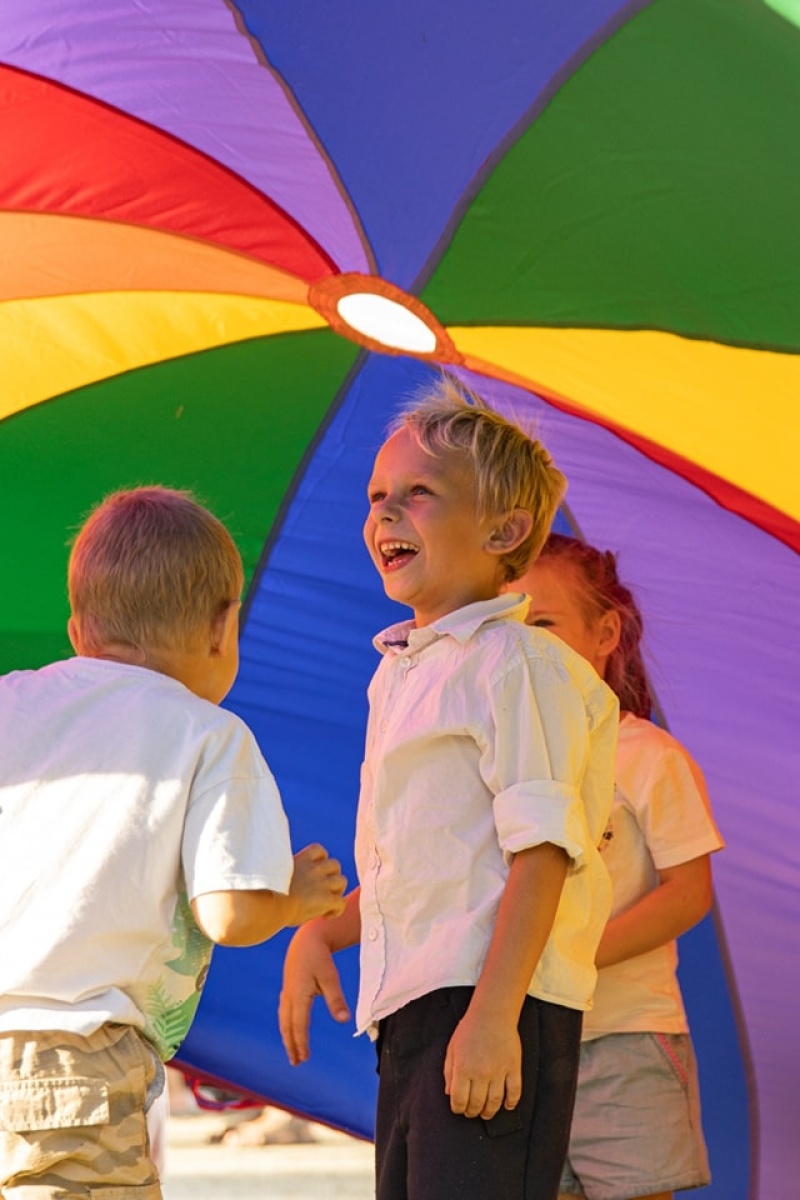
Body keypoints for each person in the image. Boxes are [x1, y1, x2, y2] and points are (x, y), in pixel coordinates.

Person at [279, 378, 619, 1200]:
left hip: (493, 999)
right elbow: (424, 862)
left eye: (418, 495)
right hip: (416, 1012)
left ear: (503, 528)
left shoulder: (518, 667)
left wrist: (496, 1017)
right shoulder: (400, 675)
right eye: (377, 497)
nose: (386, 515)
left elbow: (541, 853)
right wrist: (321, 934)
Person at [0, 486, 347, 1199]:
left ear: (76, 629)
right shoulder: (209, 734)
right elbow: (227, 913)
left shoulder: (12, 701)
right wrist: (293, 900)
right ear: (225, 629)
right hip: (78, 1064)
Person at [515, 533, 724, 1200]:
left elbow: (687, 894)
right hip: (525, 1045)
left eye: (542, 623)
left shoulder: (648, 756)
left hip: (626, 1038)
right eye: (509, 628)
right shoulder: (504, 766)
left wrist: (573, 956)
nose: (526, 646)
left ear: (606, 632)